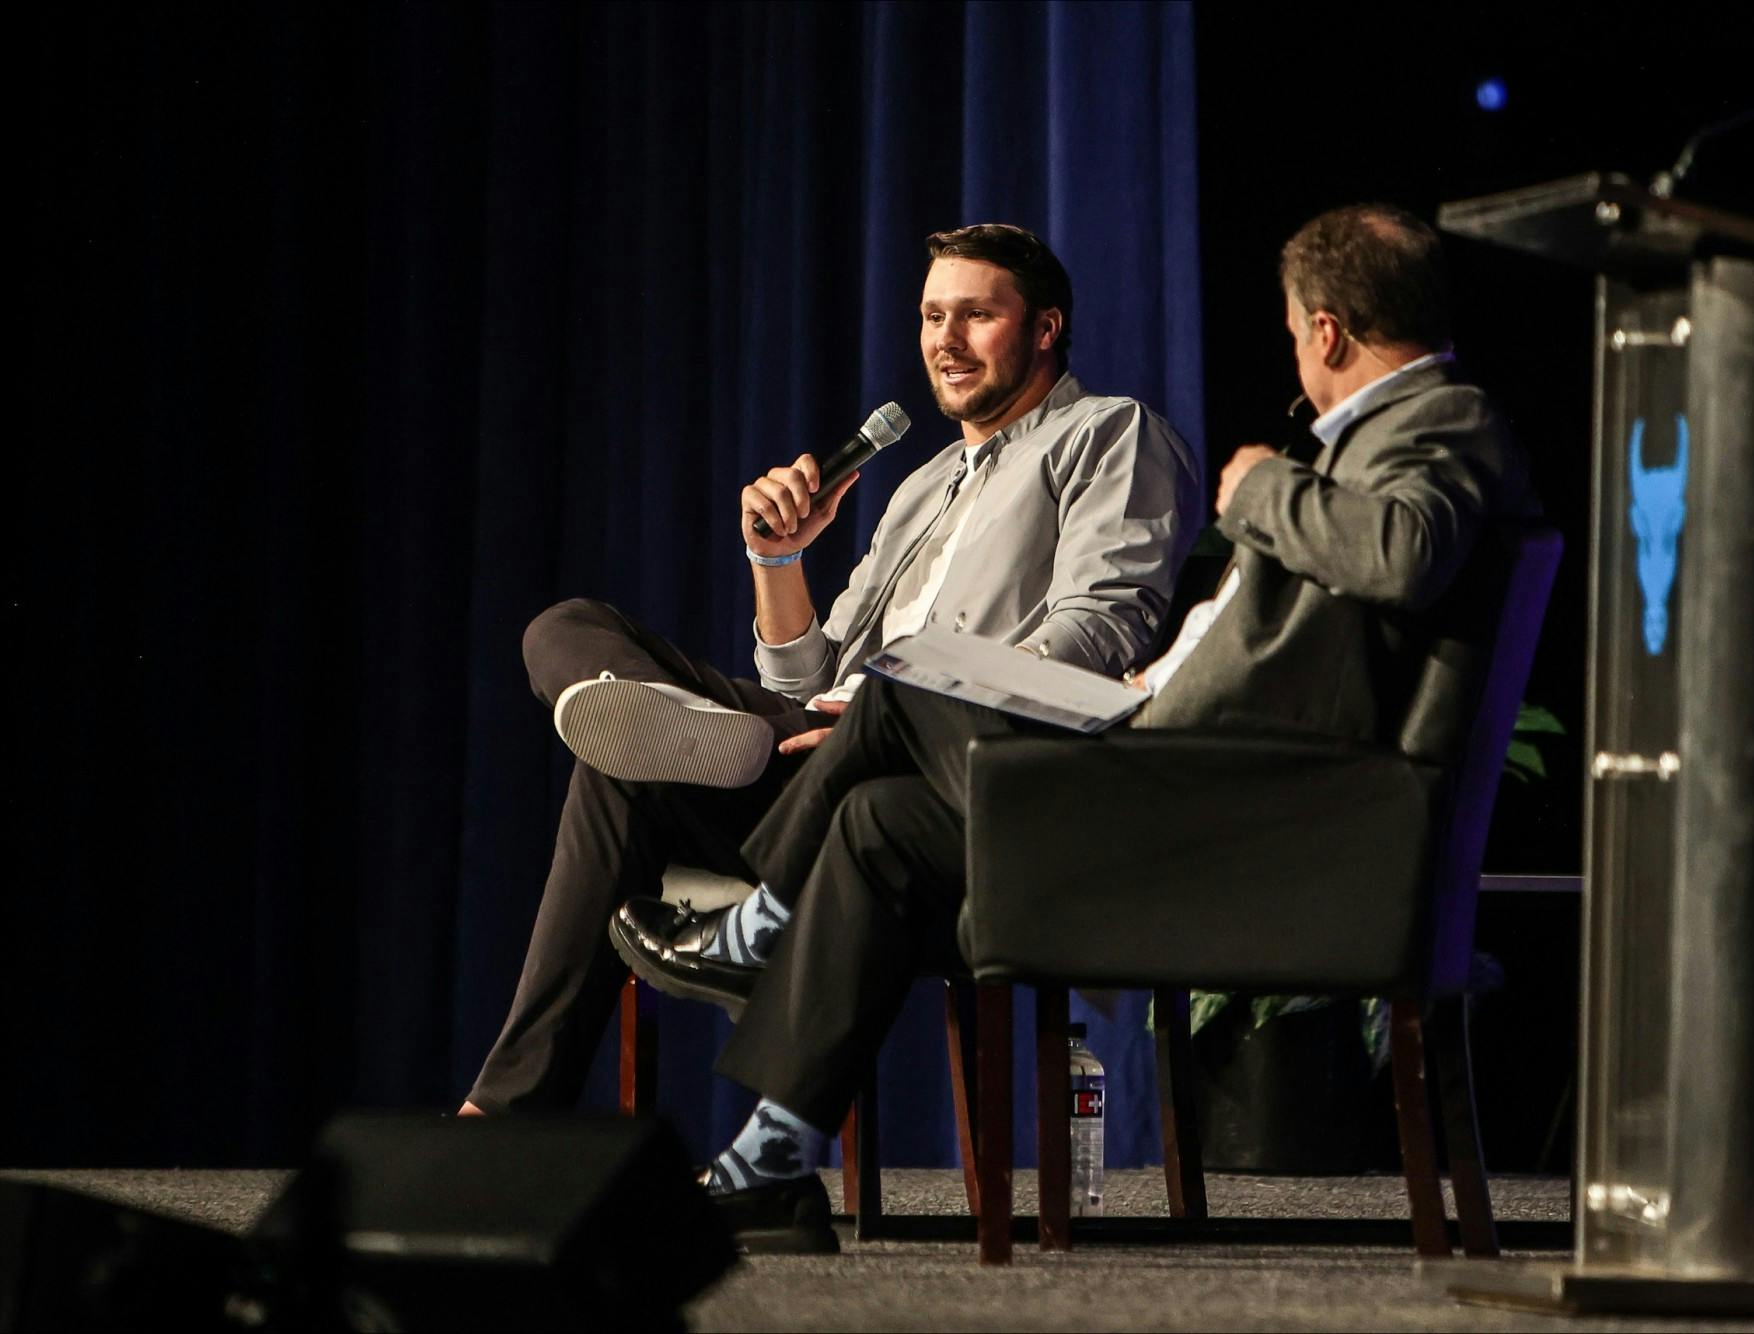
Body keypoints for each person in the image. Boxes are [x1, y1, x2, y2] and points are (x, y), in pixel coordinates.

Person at [612, 203, 1540, 1250]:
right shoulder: (1393, 440)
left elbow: (1401, 556)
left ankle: (753, 925)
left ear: (1324, 331)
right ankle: (774, 1156)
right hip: (1171, 760)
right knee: (879, 821)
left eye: (1290, 335)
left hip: (1218, 806)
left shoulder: (1435, 421)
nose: (1296, 358)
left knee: (900, 690)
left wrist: (1261, 486)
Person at [460, 223, 1202, 1116]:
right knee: (569, 629)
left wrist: (911, 699)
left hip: (943, 767)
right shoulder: (923, 485)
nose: (946, 340)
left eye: (976, 316)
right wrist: (777, 562)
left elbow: (1099, 628)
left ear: (1044, 329)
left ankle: (504, 1115)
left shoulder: (1107, 432)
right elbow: (797, 688)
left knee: (637, 767)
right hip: (821, 748)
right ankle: (505, 1119)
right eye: (932, 316)